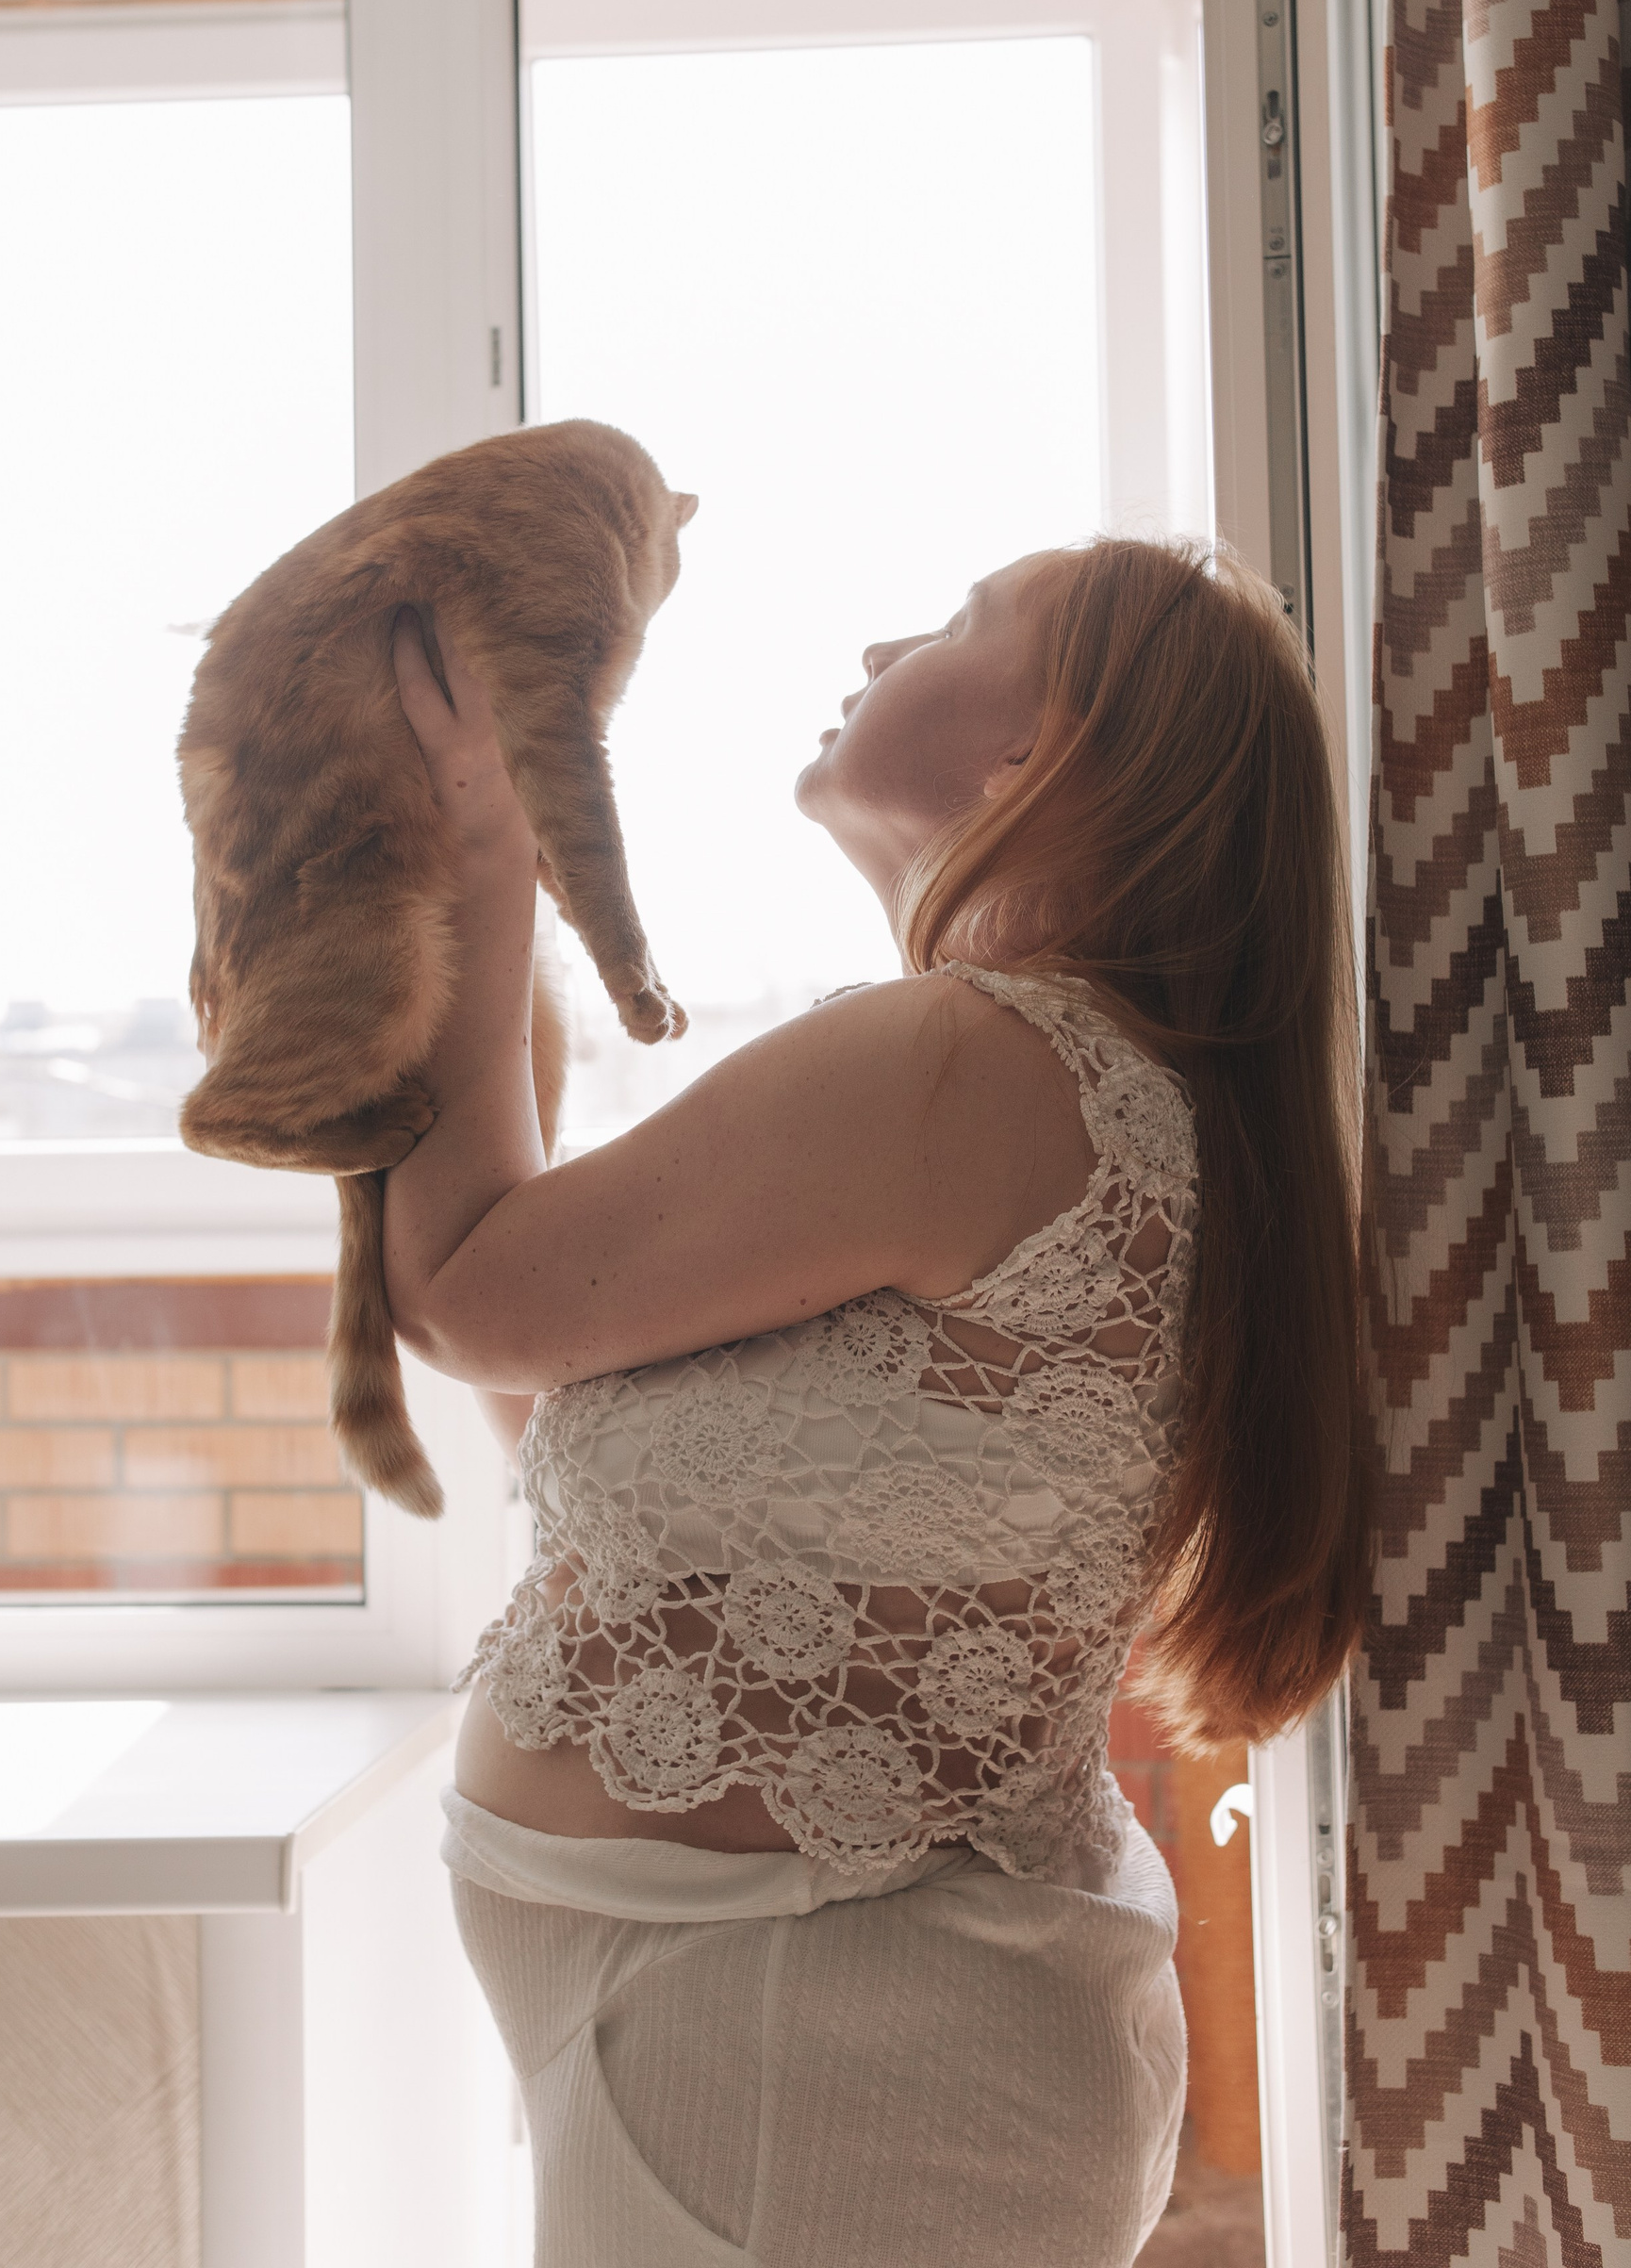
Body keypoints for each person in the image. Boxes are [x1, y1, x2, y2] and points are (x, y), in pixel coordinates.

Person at [382, 537, 1372, 2268]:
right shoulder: (1065, 1087)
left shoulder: (973, 1061)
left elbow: (467, 1291)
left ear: (1037, 759)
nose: (882, 638)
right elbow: (578, 1400)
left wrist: (467, 836)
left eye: (965, 617)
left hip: (816, 2072)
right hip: (790, 2045)